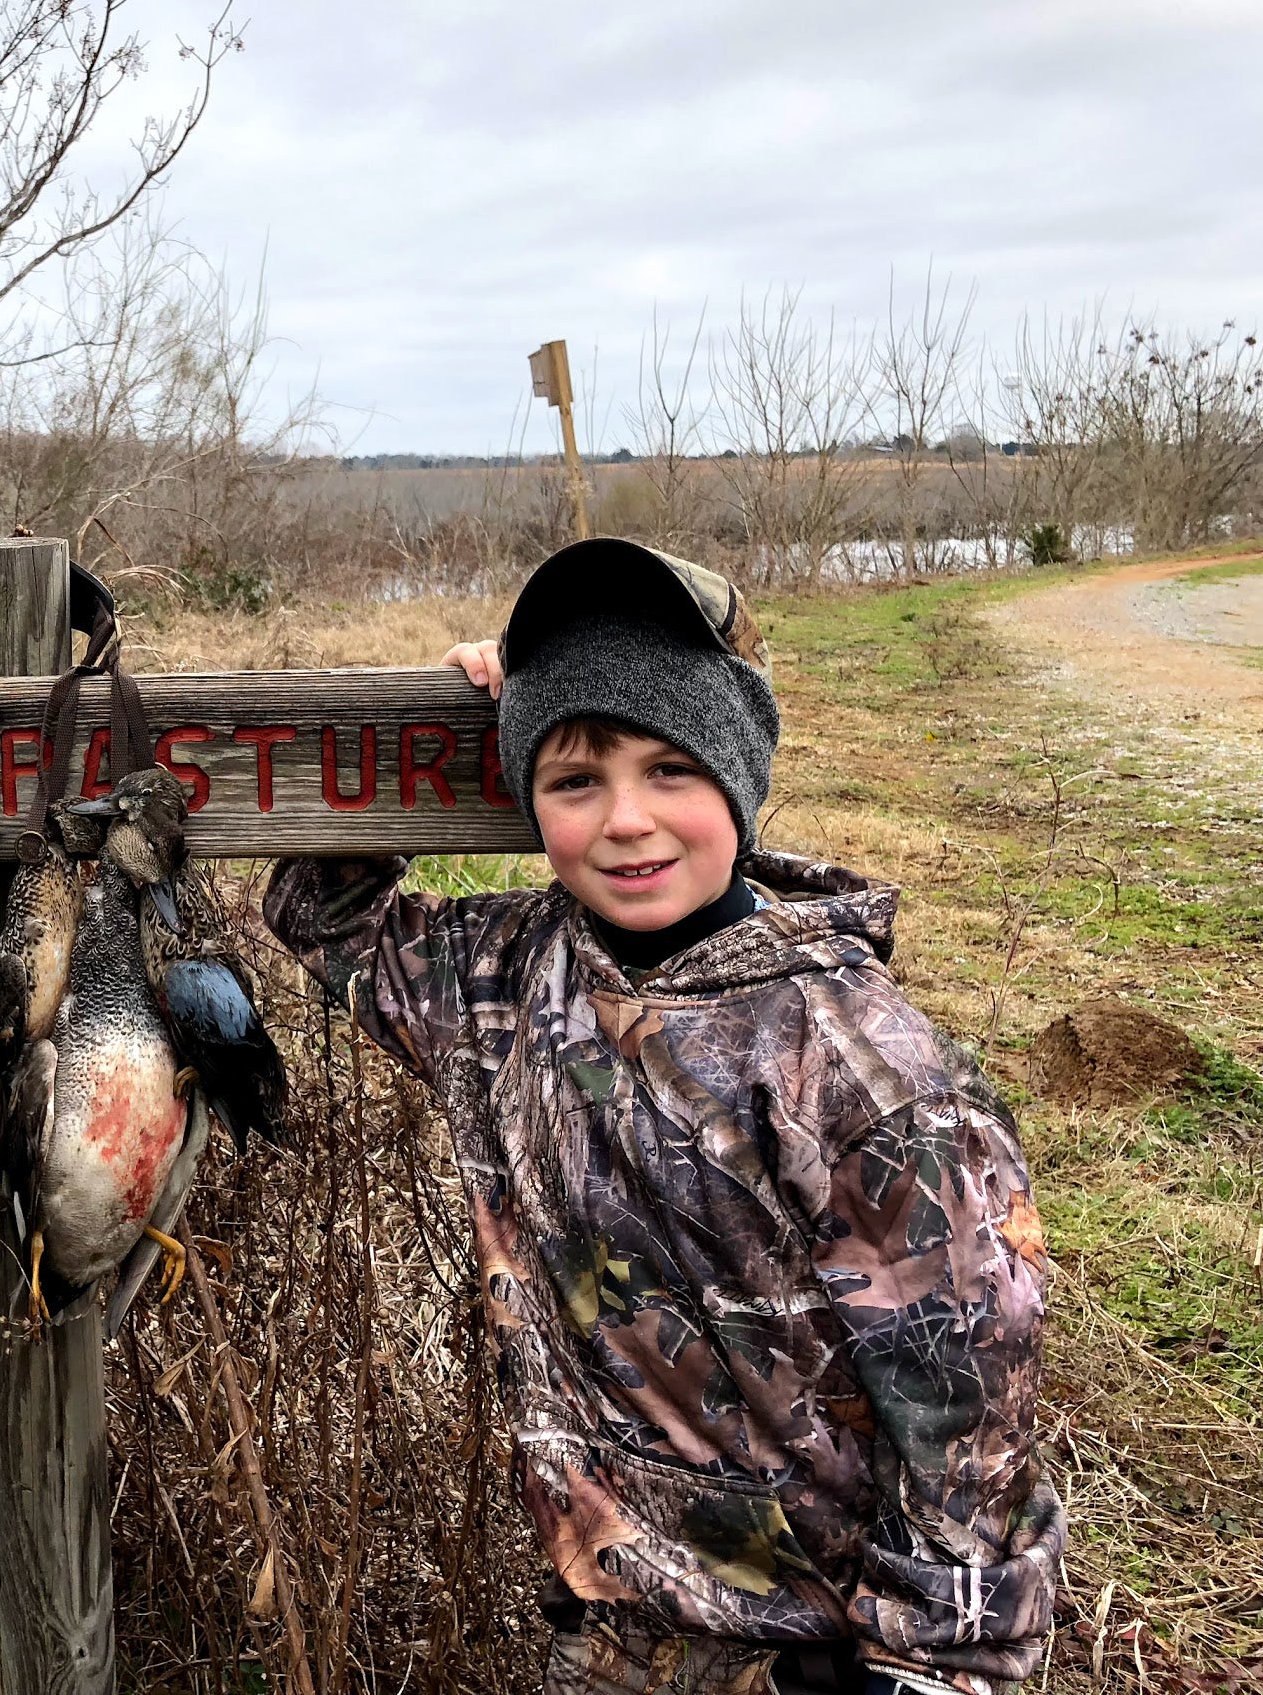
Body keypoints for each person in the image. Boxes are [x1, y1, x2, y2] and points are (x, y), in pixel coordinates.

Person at [265, 539, 1063, 1695]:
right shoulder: (500, 983)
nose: (627, 820)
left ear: (737, 773)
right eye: (574, 782)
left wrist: (926, 1673)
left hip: (819, 1658)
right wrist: (433, 731)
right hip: (610, 1635)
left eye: (671, 769)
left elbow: (971, 1423)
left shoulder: (854, 1061)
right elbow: (317, 908)